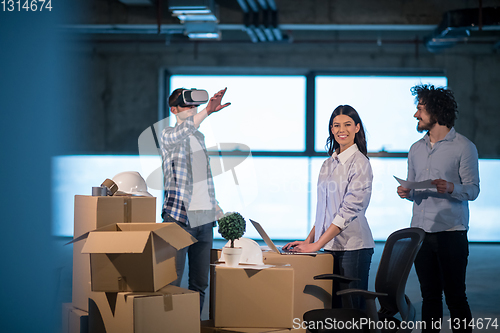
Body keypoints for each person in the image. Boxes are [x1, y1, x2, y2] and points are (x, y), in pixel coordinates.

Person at [397, 84, 479, 332]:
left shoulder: (464, 147)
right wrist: (407, 192)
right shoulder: (415, 149)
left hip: (451, 233)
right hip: (420, 234)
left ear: (436, 111)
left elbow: (473, 190)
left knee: (455, 298)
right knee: (429, 297)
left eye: (420, 109)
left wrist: (452, 188)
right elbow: (414, 191)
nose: (416, 115)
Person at [283, 105, 375, 309]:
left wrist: (316, 245)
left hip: (354, 247)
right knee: (332, 309)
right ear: (332, 130)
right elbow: (325, 210)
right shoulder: (328, 164)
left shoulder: (360, 163)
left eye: (348, 124)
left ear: (357, 128)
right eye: (337, 125)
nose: (342, 129)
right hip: (330, 245)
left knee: (351, 313)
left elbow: (347, 211)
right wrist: (309, 240)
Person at [160, 87, 230, 313]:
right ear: (174, 110)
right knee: (171, 283)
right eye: (187, 106)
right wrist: (207, 111)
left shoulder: (199, 137)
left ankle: (192, 326)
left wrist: (216, 208)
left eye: (195, 106)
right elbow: (184, 130)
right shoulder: (168, 135)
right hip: (178, 219)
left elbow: (203, 177)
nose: (192, 110)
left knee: (199, 285)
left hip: (204, 221)